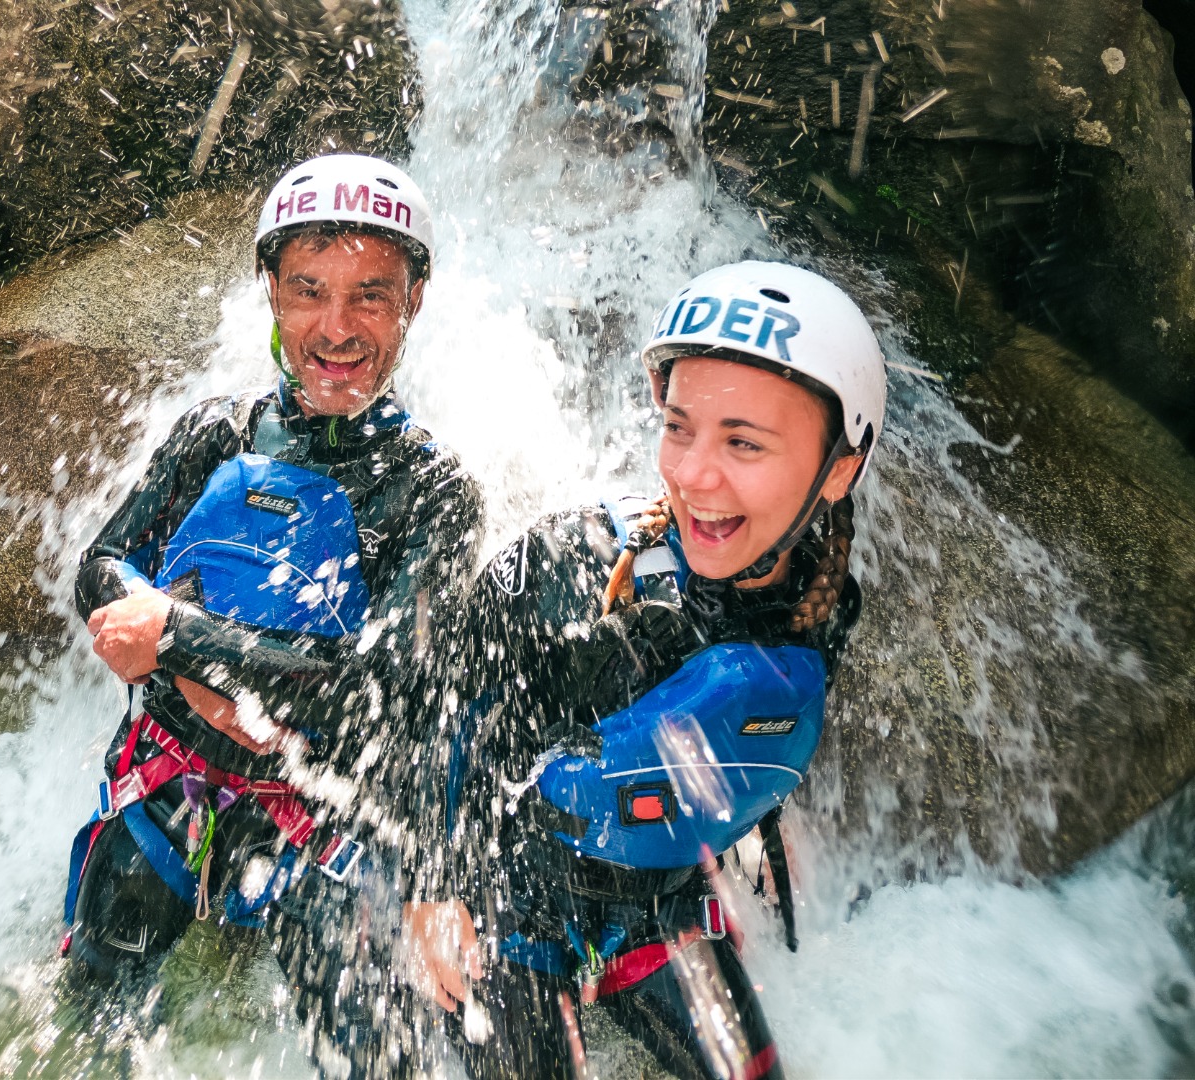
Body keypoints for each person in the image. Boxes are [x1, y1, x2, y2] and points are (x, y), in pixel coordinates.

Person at [61, 153, 485, 1075]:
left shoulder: (436, 493)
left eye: (371, 295)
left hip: (324, 815)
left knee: (376, 1055)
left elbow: (381, 687)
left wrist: (176, 641)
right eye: (308, 291)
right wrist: (191, 678)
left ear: (414, 300)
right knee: (88, 1020)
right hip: (169, 777)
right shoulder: (218, 431)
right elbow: (100, 569)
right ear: (269, 293)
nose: (337, 329)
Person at [414, 261, 887, 1079]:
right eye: (678, 427)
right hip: (516, 901)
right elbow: (438, 701)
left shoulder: (823, 594)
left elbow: (755, 707)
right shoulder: (571, 562)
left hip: (660, 905)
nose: (694, 474)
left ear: (837, 472)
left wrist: (769, 807)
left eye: (743, 442)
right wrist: (429, 889)